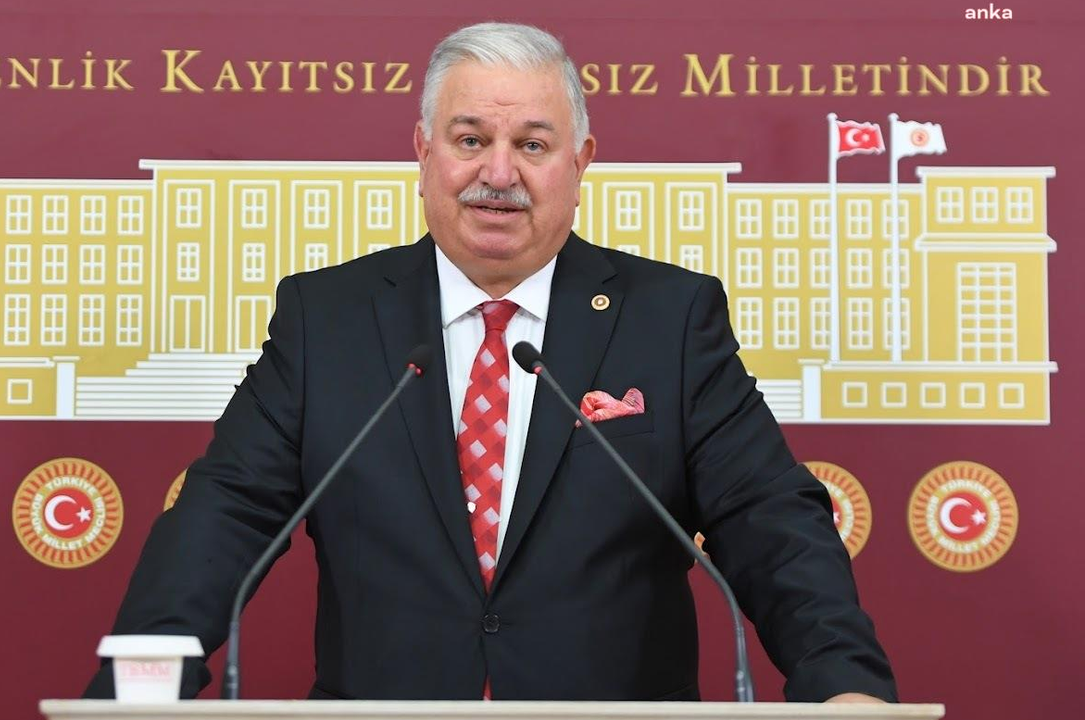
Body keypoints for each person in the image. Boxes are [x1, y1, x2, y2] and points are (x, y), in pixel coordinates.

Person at [84, 22, 895, 703]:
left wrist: (843, 683)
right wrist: (138, 687)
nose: (498, 174)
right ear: (424, 152)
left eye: (531, 144)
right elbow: (224, 515)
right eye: (470, 140)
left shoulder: (671, 320)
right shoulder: (327, 320)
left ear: (580, 162)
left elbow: (768, 518)